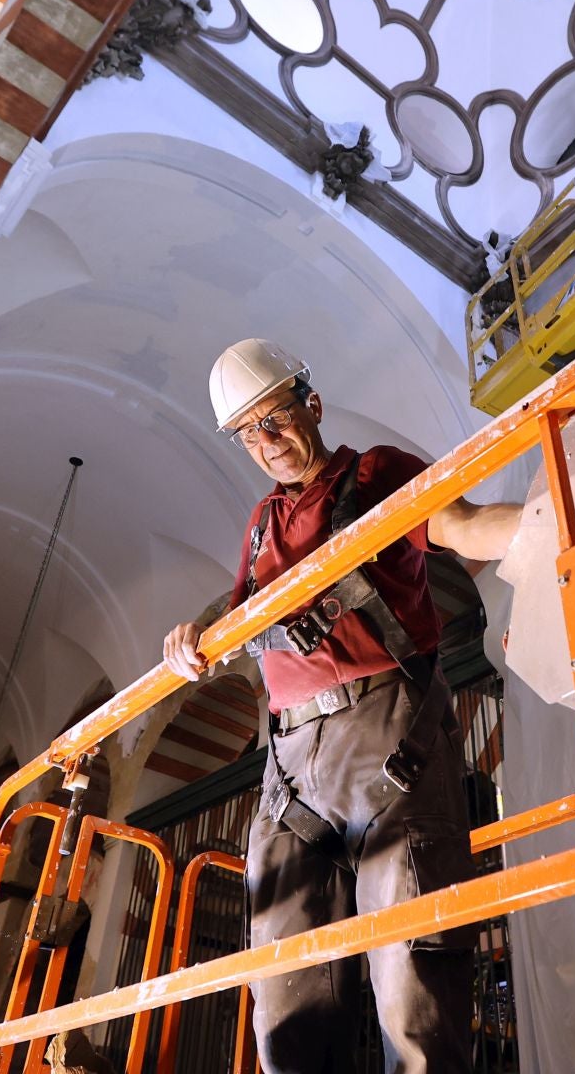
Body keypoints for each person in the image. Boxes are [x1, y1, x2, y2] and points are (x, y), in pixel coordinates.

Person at [163, 339, 519, 1074]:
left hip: (384, 736)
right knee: (286, 999)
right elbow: (235, 633)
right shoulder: (261, 525)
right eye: (248, 433)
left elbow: (461, 524)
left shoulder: (375, 473)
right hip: (287, 767)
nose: (267, 441)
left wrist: (552, 519)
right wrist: (193, 640)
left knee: (414, 985)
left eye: (277, 419)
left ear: (311, 407)